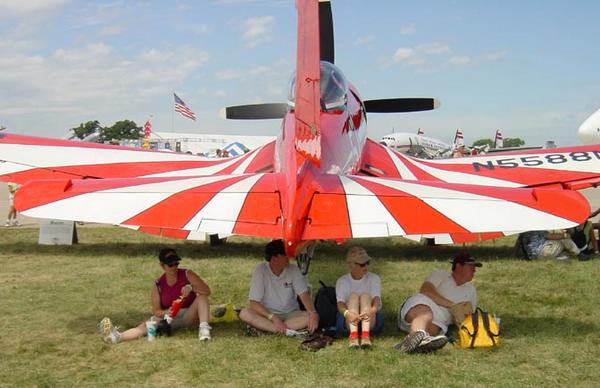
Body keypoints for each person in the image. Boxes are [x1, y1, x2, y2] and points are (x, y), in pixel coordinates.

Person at [99, 247, 212, 343]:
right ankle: (117, 337)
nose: (174, 267)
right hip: (168, 318)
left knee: (201, 298)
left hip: (189, 315)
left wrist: (191, 287)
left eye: (176, 263)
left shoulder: (187, 274)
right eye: (170, 264)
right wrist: (167, 312)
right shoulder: (158, 284)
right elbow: (156, 311)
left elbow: (206, 291)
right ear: (162, 266)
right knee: (147, 324)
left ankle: (204, 330)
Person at [395, 252, 480, 354]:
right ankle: (418, 336)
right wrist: (453, 306)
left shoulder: (471, 290)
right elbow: (426, 290)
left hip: (440, 321)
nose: (474, 270)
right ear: (458, 266)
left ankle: (417, 341)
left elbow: (469, 315)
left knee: (436, 326)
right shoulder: (440, 274)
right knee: (426, 314)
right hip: (419, 306)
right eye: (471, 266)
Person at [239, 239, 319, 336]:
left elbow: (303, 294)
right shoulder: (261, 270)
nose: (288, 258)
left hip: (291, 314)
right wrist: (273, 318)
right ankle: (282, 330)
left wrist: (312, 312)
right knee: (244, 313)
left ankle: (270, 329)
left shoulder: (293, 269)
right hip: (267, 314)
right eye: (284, 255)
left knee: (310, 317)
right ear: (274, 259)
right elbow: (254, 303)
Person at [335, 246, 384, 349]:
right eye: (362, 264)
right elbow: (340, 304)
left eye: (367, 263)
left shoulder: (374, 278)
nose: (365, 266)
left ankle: (365, 336)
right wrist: (348, 314)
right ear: (351, 265)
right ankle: (354, 337)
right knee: (353, 296)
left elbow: (376, 298)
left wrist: (372, 310)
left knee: (365, 296)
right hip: (350, 321)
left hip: (370, 319)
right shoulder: (342, 281)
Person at [519, 229, 590, 261]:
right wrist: (565, 235)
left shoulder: (524, 229)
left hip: (531, 256)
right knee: (564, 240)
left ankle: (562, 258)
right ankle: (580, 255)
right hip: (541, 253)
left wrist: (515, 254)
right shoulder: (538, 227)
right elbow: (549, 236)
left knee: (564, 251)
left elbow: (519, 243)